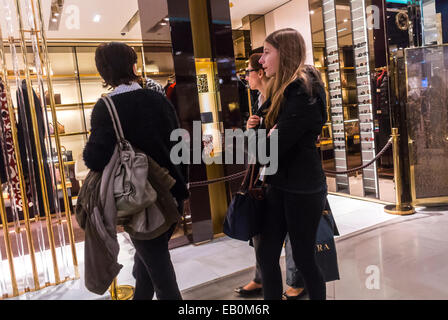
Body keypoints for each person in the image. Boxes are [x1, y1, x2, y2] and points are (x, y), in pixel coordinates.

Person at [82, 42, 189, 300]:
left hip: (141, 200)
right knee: (146, 266)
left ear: (103, 73)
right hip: (171, 194)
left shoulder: (106, 108)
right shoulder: (158, 99)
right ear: (133, 66)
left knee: (161, 276)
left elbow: (95, 159)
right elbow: (179, 146)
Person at [255, 28, 328, 300]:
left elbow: (269, 149)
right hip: (279, 185)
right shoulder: (279, 92)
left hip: (302, 189)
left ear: (283, 54)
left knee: (303, 257)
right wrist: (263, 132)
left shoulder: (302, 92)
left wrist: (263, 136)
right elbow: (265, 140)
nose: (261, 61)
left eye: (266, 52)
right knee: (266, 253)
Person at [235, 53, 307, 300]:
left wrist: (256, 136)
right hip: (265, 176)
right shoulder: (260, 98)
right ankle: (261, 277)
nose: (246, 76)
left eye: (249, 71)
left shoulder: (284, 98)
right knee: (262, 233)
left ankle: (296, 280)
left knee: (289, 233)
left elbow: (274, 148)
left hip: (285, 177)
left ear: (262, 71)